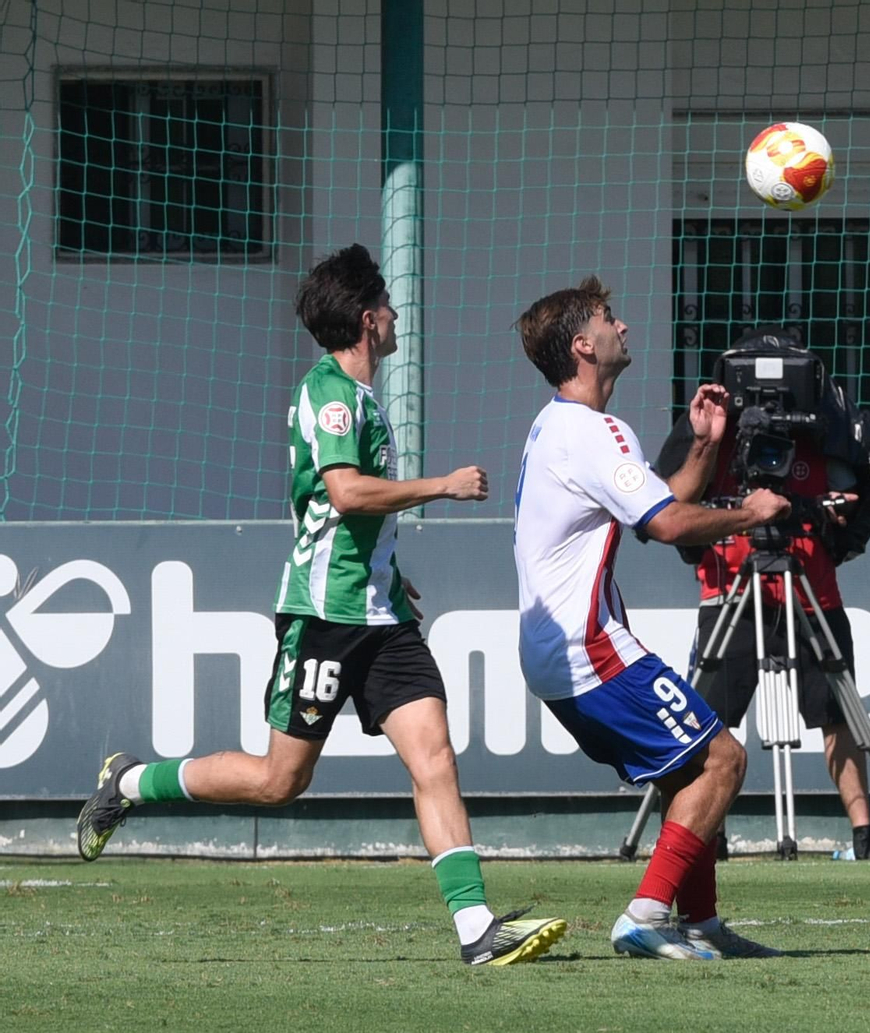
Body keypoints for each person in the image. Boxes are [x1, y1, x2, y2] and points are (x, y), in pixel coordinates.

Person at [75, 244, 566, 967]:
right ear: (369, 320)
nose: (397, 315)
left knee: (434, 757)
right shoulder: (330, 392)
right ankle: (130, 781)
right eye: (390, 305)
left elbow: (353, 518)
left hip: (381, 616)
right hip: (323, 616)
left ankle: (476, 930)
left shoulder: (361, 396)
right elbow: (345, 491)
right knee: (281, 781)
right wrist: (445, 485)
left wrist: (389, 577)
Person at [512, 276, 791, 960]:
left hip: (557, 649)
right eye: (610, 318)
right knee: (723, 758)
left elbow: (651, 509)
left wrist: (702, 445)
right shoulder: (595, 430)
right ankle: (644, 912)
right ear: (583, 344)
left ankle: (700, 922)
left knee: (682, 770)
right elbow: (667, 525)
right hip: (588, 646)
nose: (623, 327)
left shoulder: (560, 424)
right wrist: (750, 513)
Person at [654, 332, 870, 862]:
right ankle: (704, 833)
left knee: (837, 713)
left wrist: (828, 519)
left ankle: (864, 834)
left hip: (810, 585)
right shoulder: (711, 427)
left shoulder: (823, 424)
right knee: (710, 718)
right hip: (730, 583)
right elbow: (665, 501)